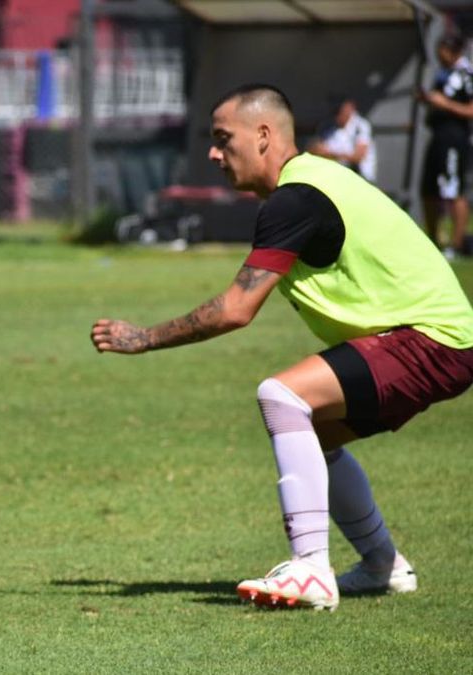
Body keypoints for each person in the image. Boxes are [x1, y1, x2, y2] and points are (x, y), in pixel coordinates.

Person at [91, 84, 473, 611]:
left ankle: (312, 570)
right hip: (444, 341)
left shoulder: (297, 197)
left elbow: (235, 309)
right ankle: (383, 564)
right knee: (313, 430)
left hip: (429, 339)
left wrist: (144, 338)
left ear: (264, 136)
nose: (213, 152)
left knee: (282, 396)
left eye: (224, 139)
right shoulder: (308, 185)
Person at [419, 34, 473, 260]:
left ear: (453, 51)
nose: (439, 55)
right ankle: (433, 242)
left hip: (455, 138)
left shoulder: (466, 75)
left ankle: (456, 244)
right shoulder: (443, 74)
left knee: (453, 189)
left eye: (443, 49)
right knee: (428, 190)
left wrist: (445, 104)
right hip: (437, 137)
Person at [308, 97, 375, 182]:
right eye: (335, 112)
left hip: (360, 178)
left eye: (339, 111)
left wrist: (331, 154)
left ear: (350, 107)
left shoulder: (360, 125)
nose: (337, 116)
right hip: (337, 177)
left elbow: (358, 157)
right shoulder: (330, 126)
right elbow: (313, 149)